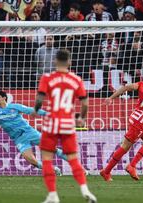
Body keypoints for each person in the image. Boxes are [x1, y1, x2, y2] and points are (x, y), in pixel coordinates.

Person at [32, 50, 97, 203]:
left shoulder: (47, 78)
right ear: (69, 62)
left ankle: (53, 195)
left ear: (55, 61)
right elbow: (85, 103)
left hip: (51, 123)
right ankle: (85, 190)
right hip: (68, 123)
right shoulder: (76, 79)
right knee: (73, 159)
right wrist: (81, 118)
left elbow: (40, 98)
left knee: (47, 159)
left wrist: (35, 110)